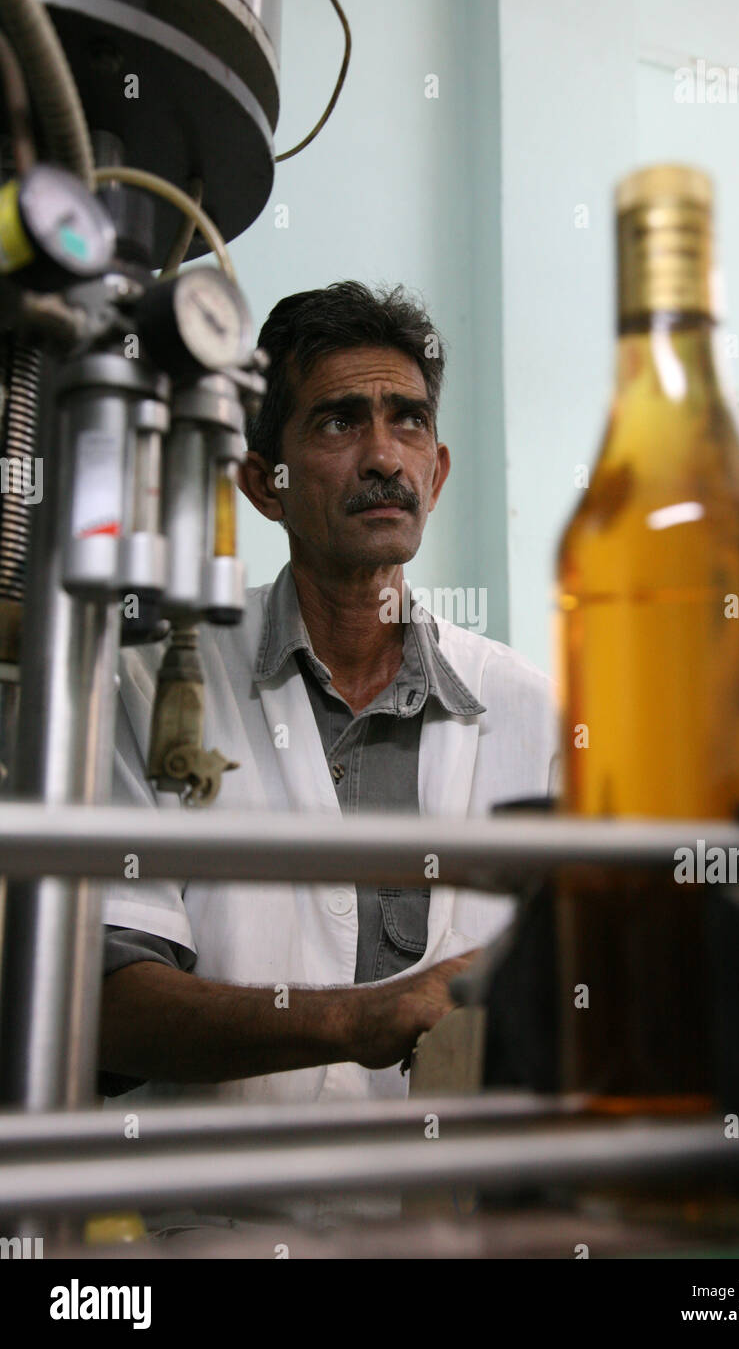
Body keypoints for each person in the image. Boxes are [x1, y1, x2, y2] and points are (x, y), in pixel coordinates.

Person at [99, 281, 558, 1112]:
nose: (385, 457)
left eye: (408, 419)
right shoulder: (151, 685)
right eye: (340, 421)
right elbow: (108, 1008)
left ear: (438, 471)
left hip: (465, 1224)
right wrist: (361, 1018)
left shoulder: (533, 711)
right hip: (216, 1223)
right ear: (262, 483)